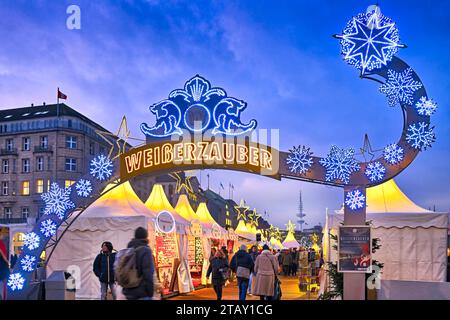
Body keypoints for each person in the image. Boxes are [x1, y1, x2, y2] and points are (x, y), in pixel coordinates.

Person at [122, 227, 155, 300]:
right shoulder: (146, 250)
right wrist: (150, 292)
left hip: (128, 289)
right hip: (142, 291)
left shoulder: (129, 248)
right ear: (146, 236)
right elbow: (148, 273)